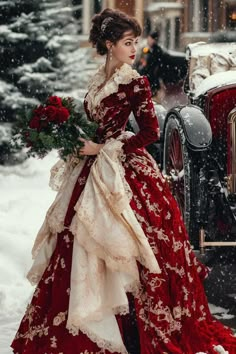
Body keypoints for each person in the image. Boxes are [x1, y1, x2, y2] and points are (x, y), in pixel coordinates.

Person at [11, 8, 236, 354]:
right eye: (128, 42)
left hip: (123, 170)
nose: (135, 48)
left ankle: (127, 327)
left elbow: (150, 131)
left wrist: (103, 146)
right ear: (108, 44)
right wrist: (70, 134)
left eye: (135, 41)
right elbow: (93, 122)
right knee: (78, 241)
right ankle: (79, 324)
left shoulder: (134, 80)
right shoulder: (98, 79)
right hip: (91, 169)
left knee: (125, 245)